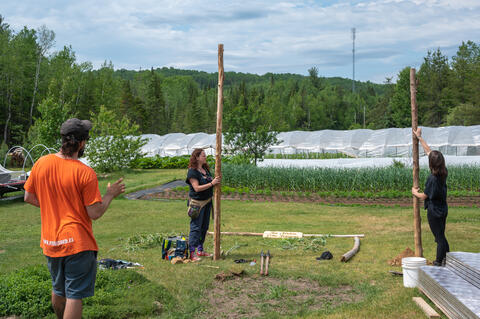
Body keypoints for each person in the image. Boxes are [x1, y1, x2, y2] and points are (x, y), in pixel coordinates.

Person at [24, 118, 125, 319]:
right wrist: (110, 194)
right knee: (74, 295)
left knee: (58, 290)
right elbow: (94, 213)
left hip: (51, 242)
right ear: (81, 143)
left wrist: (56, 206)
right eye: (86, 140)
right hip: (77, 244)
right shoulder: (84, 173)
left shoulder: (41, 163)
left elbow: (28, 197)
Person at [411, 127, 449, 267]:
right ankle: (446, 257)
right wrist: (419, 137)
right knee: (441, 235)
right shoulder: (443, 171)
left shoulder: (432, 179)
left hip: (435, 212)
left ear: (432, 164)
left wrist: (414, 192)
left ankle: (439, 261)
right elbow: (429, 151)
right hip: (443, 209)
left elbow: (424, 196)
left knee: (439, 237)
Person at [186, 148, 221, 261]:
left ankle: (200, 250)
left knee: (204, 227)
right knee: (196, 227)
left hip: (207, 202)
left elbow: (210, 181)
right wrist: (212, 183)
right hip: (197, 203)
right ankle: (192, 253)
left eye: (205, 155)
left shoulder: (205, 169)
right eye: (203, 155)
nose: (205, 157)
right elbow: (196, 188)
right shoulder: (192, 171)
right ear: (196, 157)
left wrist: (214, 181)